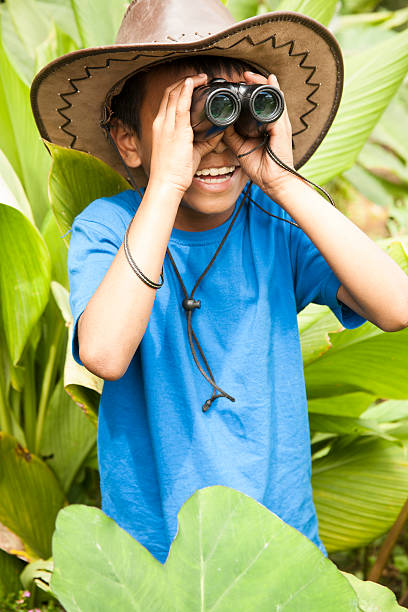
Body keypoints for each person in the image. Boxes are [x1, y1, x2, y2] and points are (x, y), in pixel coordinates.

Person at [31, 0, 408, 564]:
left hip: (279, 543)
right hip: (159, 554)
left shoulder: (274, 223)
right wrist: (167, 183)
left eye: (230, 111)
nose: (216, 140)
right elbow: (104, 355)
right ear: (129, 140)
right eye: (185, 119)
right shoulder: (108, 229)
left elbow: (397, 307)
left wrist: (281, 182)